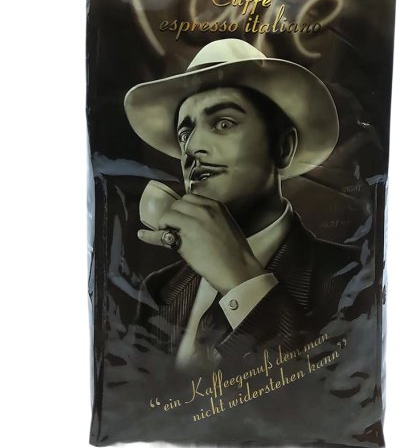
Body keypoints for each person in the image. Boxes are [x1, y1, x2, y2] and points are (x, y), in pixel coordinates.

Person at [123, 38, 364, 377]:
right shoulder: (159, 290)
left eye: (223, 123)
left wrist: (240, 280)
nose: (191, 148)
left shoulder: (351, 278)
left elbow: (328, 392)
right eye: (185, 133)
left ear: (282, 148)